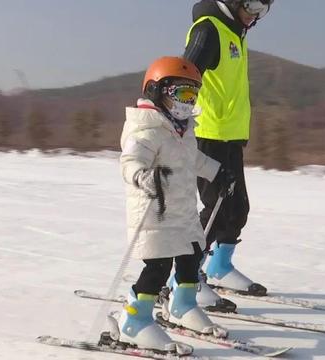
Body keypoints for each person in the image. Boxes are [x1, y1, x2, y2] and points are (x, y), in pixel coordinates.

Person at [118, 56, 233, 351]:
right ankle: (134, 320)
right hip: (154, 214)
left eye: (192, 95)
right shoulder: (147, 128)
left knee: (192, 258)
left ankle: (182, 306)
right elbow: (130, 161)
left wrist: (218, 172)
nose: (187, 101)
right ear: (157, 90)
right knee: (157, 267)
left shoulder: (183, 129)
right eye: (181, 93)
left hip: (183, 211)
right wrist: (142, 176)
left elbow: (193, 160)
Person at [181, 0, 275, 309]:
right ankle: (184, 280)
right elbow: (185, 76)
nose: (255, 15)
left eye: (264, 9)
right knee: (215, 210)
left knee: (237, 209)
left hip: (230, 136)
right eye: (252, 5)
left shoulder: (234, 33)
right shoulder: (209, 30)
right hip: (208, 135)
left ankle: (219, 266)